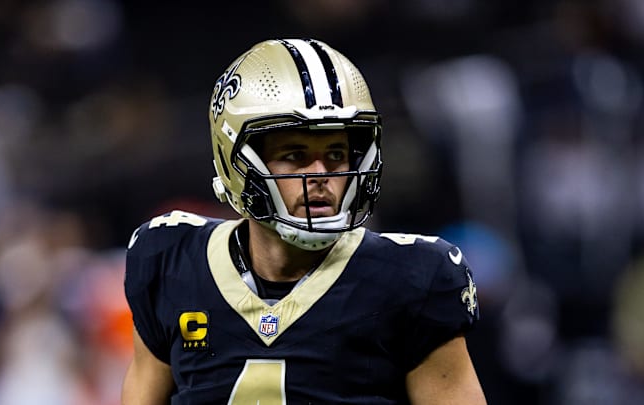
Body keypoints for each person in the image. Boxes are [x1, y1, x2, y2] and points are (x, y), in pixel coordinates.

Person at [122, 38, 486, 404]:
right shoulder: (169, 261)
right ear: (236, 162)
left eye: (336, 153)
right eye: (295, 155)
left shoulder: (412, 278)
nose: (320, 174)